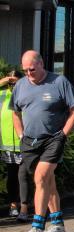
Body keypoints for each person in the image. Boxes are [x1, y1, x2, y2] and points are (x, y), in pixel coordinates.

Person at [10, 50, 74, 232]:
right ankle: (57, 224)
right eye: (25, 70)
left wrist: (63, 135)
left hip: (53, 139)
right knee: (48, 181)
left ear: (41, 63)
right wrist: (21, 134)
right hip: (30, 141)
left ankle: (37, 225)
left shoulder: (59, 82)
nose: (28, 73)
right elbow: (15, 112)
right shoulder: (21, 86)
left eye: (32, 69)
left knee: (41, 177)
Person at [0, 71, 30, 221]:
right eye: (11, 83)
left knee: (22, 175)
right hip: (7, 145)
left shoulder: (26, 93)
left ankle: (24, 207)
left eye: (15, 82)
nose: (13, 85)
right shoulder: (2, 94)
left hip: (24, 142)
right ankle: (13, 206)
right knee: (12, 177)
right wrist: (4, 80)